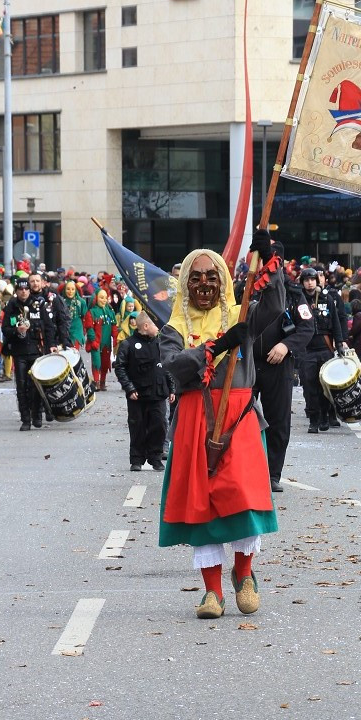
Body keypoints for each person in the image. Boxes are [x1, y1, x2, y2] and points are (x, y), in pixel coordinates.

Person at [158, 232, 284, 620]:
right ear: (185, 285)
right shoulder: (173, 326)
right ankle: (212, 590)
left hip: (240, 417)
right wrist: (215, 347)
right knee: (203, 503)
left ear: (224, 281)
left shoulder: (243, 314)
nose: (204, 285)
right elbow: (175, 366)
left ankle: (244, 575)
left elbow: (277, 305)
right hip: (196, 420)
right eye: (195, 278)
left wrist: (269, 258)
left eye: (212, 277)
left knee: (242, 496)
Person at [251, 244, 313, 491]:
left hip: (279, 366)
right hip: (248, 364)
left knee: (278, 421)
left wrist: (286, 346)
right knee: (240, 419)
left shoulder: (294, 293)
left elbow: (307, 329)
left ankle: (271, 474)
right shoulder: (245, 289)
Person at [115, 310, 175, 471]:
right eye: (156, 325)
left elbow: (168, 367)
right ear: (146, 326)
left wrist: (171, 388)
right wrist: (129, 388)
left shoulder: (160, 343)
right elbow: (120, 367)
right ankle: (137, 459)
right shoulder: (128, 344)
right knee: (138, 426)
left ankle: (155, 457)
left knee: (160, 425)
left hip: (158, 392)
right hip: (138, 395)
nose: (159, 328)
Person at [2, 275, 57, 430]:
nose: (24, 292)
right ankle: (25, 419)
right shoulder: (11, 306)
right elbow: (5, 329)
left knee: (36, 386)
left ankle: (37, 415)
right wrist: (16, 330)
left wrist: (51, 345)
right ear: (17, 291)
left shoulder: (38, 304)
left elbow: (49, 327)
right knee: (21, 387)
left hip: (36, 351)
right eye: (21, 289)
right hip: (19, 352)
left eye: (26, 289)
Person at [298, 268, 346, 432]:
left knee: (326, 386)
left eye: (312, 279)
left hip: (325, 348)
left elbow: (336, 323)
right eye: (306, 280)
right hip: (306, 350)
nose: (309, 282)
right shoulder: (298, 300)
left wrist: (339, 343)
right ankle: (313, 419)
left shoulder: (327, 298)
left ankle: (326, 416)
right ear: (302, 282)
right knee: (309, 386)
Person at [85, 289, 118, 391]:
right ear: (96, 298)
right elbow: (89, 328)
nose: (103, 300)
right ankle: (96, 382)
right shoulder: (92, 312)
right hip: (96, 342)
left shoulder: (110, 312)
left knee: (105, 363)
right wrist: (93, 340)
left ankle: (102, 382)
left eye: (105, 298)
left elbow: (114, 327)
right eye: (101, 297)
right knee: (96, 362)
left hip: (106, 343)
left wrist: (115, 338)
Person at [62, 279, 88, 349]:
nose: (70, 292)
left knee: (74, 352)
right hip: (63, 330)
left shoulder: (81, 302)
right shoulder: (60, 301)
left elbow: (85, 316)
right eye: (68, 289)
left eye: (73, 289)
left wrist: (84, 330)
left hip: (76, 330)